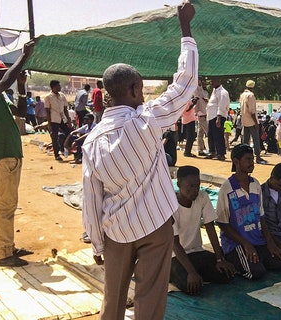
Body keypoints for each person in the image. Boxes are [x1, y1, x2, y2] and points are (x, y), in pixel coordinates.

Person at [81, 3, 197, 319]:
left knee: (112, 300)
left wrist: (96, 244)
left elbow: (90, 198)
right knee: (149, 300)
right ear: (133, 90)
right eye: (142, 89)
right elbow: (184, 83)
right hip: (155, 226)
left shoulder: (91, 142)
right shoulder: (147, 120)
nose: (144, 95)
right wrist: (185, 29)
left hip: (115, 231)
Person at [0, 40, 37, 267]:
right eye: (2, 72)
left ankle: (9, 247)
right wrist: (23, 57)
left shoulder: (0, 97)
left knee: (10, 205)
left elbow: (21, 113)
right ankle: (4, 254)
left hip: (11, 158)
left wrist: (21, 87)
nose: (7, 76)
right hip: (4, 159)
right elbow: (3, 83)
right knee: (6, 207)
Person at [216, 144, 281, 280]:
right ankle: (235, 258)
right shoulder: (227, 188)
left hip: (256, 239)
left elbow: (261, 217)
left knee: (280, 262)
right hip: (236, 243)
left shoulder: (255, 184)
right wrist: (246, 244)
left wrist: (270, 242)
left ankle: (254, 257)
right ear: (236, 162)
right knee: (256, 272)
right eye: (248, 159)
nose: (252, 163)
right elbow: (223, 224)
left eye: (253, 159)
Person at [170, 166, 234, 296]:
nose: (194, 190)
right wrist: (192, 272)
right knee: (191, 286)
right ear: (179, 184)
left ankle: (195, 272)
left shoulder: (202, 197)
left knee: (227, 275)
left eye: (197, 185)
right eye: (190, 186)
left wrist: (219, 259)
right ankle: (172, 273)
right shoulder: (170, 206)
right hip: (176, 257)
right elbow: (175, 244)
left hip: (197, 252)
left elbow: (210, 228)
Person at [239, 80, 266, 164]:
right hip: (251, 121)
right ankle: (257, 157)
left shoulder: (242, 95)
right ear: (253, 87)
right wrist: (256, 123)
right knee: (256, 140)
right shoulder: (251, 95)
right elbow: (252, 111)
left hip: (244, 120)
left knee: (245, 140)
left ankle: (244, 157)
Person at [44, 80, 71, 161]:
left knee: (68, 133)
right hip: (54, 119)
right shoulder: (48, 97)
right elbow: (47, 111)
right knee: (54, 137)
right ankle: (57, 154)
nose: (60, 87)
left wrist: (68, 119)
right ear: (53, 87)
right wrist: (49, 124)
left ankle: (64, 148)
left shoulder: (62, 96)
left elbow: (65, 109)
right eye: (58, 86)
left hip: (63, 119)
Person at [205, 78, 230, 161]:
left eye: (213, 81)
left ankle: (221, 154)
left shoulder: (223, 92)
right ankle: (212, 152)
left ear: (218, 81)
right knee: (211, 135)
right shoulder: (214, 91)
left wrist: (218, 118)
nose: (211, 83)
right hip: (211, 116)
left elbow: (222, 105)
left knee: (218, 136)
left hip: (218, 117)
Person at [195, 78, 210, 156]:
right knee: (208, 132)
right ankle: (211, 149)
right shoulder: (197, 90)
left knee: (200, 134)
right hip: (202, 114)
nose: (203, 84)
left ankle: (200, 150)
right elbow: (198, 91)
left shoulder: (205, 92)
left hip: (204, 114)